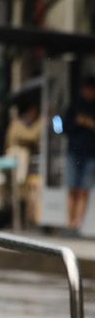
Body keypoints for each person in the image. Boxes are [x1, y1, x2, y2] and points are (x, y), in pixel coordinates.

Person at [64, 77, 95, 232]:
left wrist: (89, 123)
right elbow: (62, 126)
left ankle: (78, 223)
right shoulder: (75, 105)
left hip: (91, 154)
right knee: (72, 188)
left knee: (83, 189)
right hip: (73, 152)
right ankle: (70, 222)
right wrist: (77, 122)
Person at [5, 102, 43, 226]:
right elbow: (30, 136)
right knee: (16, 194)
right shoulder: (17, 124)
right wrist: (42, 122)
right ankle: (15, 222)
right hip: (16, 166)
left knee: (28, 196)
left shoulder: (28, 124)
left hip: (26, 167)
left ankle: (25, 221)